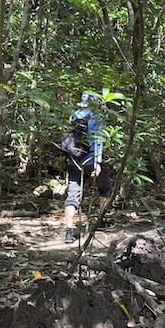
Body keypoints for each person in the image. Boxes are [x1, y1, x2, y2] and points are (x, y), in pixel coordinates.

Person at [62, 92, 113, 244]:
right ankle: (101, 221)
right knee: (105, 189)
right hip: (90, 159)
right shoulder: (96, 117)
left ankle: (69, 232)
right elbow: (98, 141)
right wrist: (97, 163)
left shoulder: (74, 116)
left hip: (73, 159)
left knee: (72, 195)